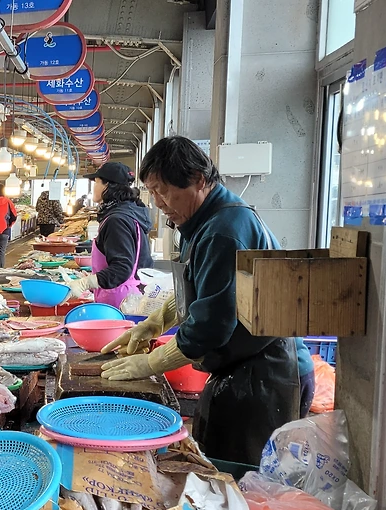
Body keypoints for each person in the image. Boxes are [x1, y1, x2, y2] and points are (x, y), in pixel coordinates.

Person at [99, 136, 306, 465]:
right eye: (152, 192)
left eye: (163, 191)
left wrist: (150, 364)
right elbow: (199, 286)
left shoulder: (224, 230)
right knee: (214, 459)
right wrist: (153, 324)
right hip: (240, 365)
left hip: (266, 373)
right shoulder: (203, 220)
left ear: (198, 179)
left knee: (242, 478)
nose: (158, 203)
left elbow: (211, 326)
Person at [64, 162, 153, 307]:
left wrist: (86, 283)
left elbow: (122, 268)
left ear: (108, 185)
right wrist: (97, 277)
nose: (93, 187)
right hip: (129, 296)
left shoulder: (116, 220)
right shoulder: (128, 213)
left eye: (96, 182)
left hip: (120, 301)